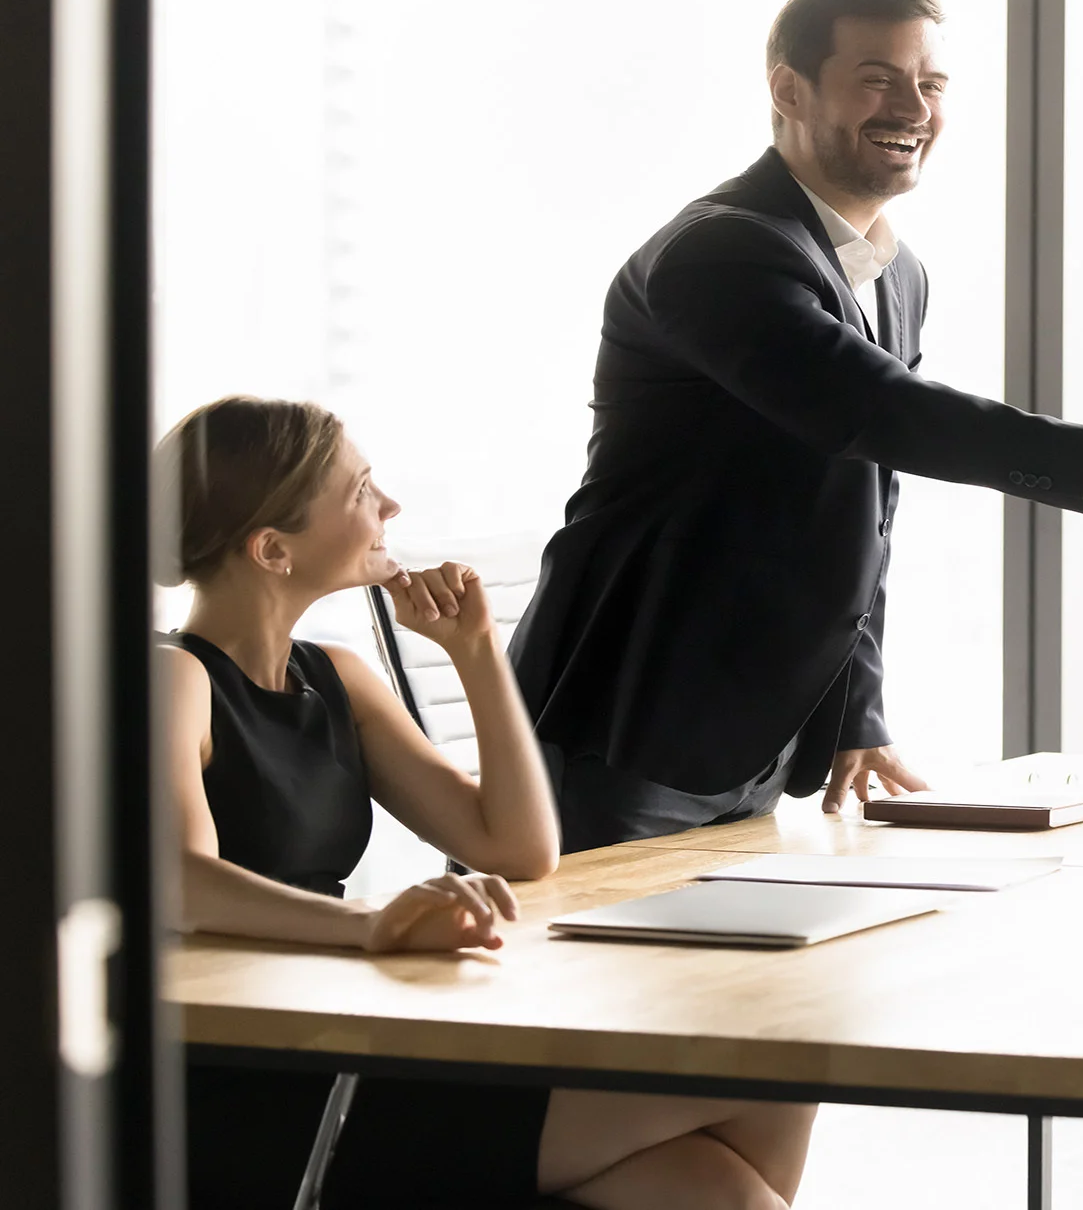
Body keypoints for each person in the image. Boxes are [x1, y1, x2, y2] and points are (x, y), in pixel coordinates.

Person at [508, 0, 1083, 853]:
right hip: (629, 720)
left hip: (748, 730)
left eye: (932, 84)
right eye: (878, 78)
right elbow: (873, 411)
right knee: (590, 979)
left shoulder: (893, 272)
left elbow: (866, 503)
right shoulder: (722, 250)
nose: (913, 107)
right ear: (787, 90)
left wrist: (856, 708)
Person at [163, 396, 813, 1210]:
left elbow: (518, 847)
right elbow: (179, 884)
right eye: (361, 489)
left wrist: (475, 656)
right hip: (258, 1083)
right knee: (771, 1078)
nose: (389, 506)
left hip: (341, 1030)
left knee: (719, 1183)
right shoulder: (173, 680)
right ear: (272, 548)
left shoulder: (334, 677)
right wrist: (371, 927)